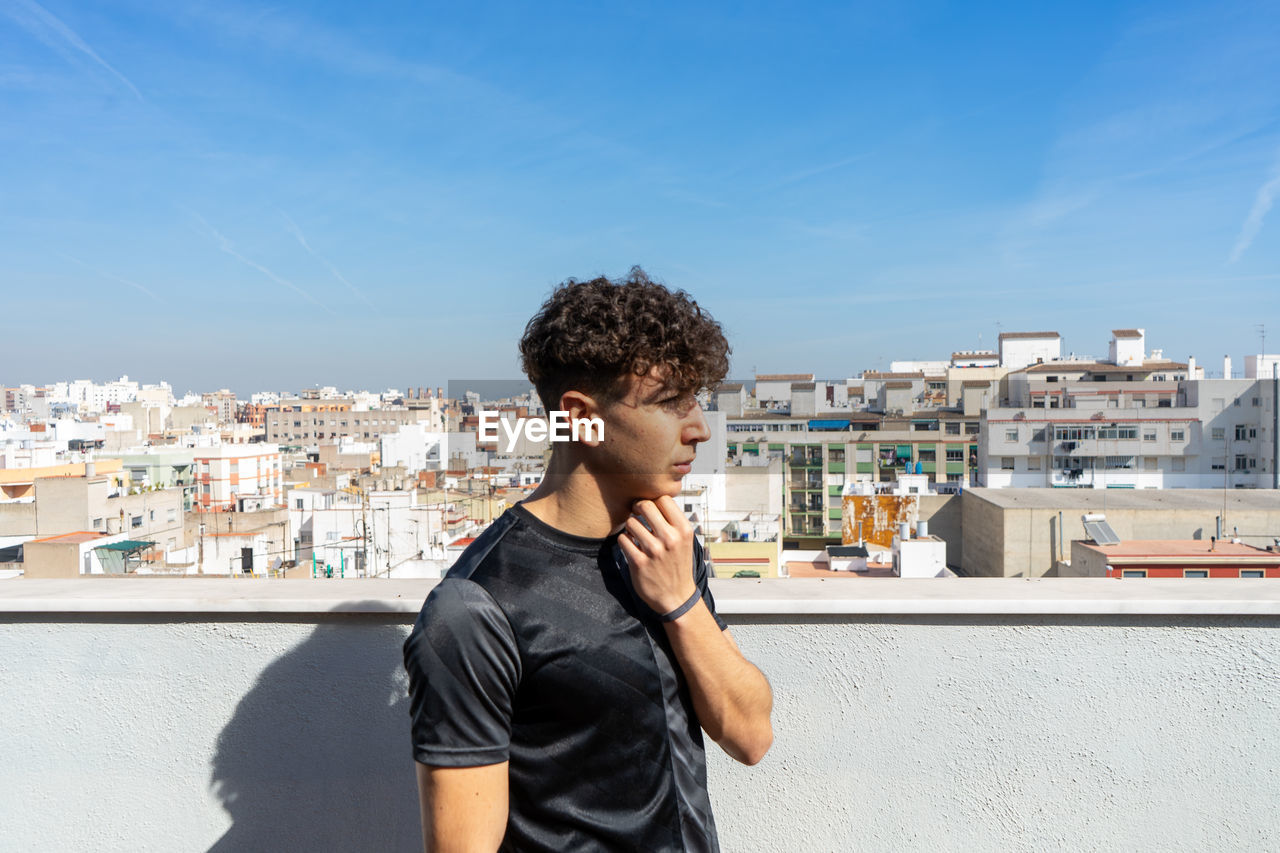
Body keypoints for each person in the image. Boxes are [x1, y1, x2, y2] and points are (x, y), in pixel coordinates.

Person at [403, 267, 773, 852]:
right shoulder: (475, 609)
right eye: (671, 402)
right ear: (580, 416)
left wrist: (681, 602)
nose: (701, 428)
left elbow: (751, 734)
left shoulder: (665, 547)